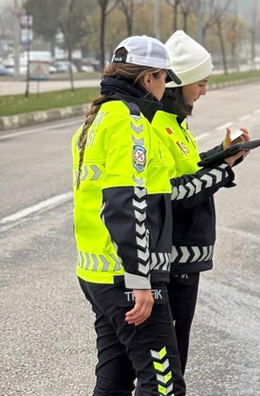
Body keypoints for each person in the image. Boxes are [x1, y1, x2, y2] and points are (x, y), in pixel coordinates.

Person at [72, 35, 187, 395]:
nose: (166, 87)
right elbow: (128, 201)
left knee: (114, 381)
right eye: (165, 78)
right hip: (126, 276)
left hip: (97, 273)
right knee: (164, 385)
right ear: (149, 77)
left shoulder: (97, 119)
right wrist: (141, 281)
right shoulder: (130, 122)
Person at [152, 30, 249, 374]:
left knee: (178, 351)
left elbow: (191, 170)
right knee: (170, 361)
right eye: (201, 83)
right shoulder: (155, 126)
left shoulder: (175, 124)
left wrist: (222, 155)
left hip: (186, 258)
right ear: (179, 85)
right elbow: (174, 193)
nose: (205, 91)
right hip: (172, 260)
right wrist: (222, 170)